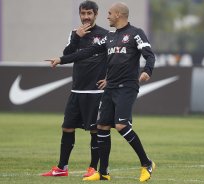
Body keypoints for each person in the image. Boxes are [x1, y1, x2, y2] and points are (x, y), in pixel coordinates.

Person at [46, 2, 156, 182]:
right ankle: (103, 172)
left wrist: (147, 71)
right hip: (110, 88)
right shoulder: (110, 37)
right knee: (102, 127)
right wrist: (61, 59)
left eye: (110, 13)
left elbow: (149, 54)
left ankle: (147, 163)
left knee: (121, 126)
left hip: (127, 87)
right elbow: (86, 52)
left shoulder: (135, 33)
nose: (107, 16)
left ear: (119, 15)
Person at [41, 0, 108, 178]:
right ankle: (62, 167)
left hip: (95, 92)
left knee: (95, 130)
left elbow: (113, 60)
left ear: (96, 14)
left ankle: (93, 168)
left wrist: (109, 78)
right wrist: (77, 37)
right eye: (83, 13)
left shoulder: (105, 35)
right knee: (67, 128)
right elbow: (69, 53)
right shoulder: (73, 34)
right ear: (79, 14)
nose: (86, 17)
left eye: (89, 13)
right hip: (77, 90)